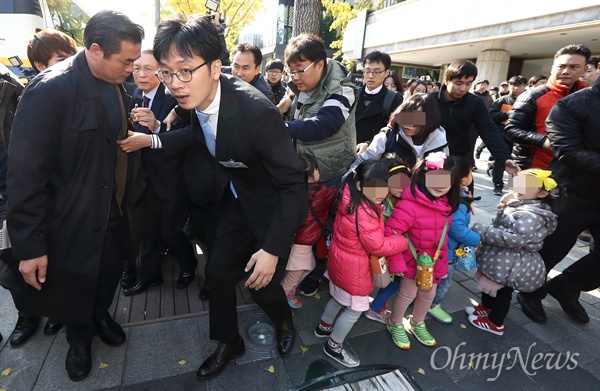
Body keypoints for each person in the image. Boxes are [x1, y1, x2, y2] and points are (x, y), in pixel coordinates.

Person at [118, 14, 306, 380]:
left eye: (185, 70)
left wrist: (271, 249)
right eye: (167, 73)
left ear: (216, 67)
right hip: (235, 199)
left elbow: (293, 185)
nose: (175, 84)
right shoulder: (192, 102)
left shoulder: (257, 114)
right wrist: (157, 134)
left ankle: (284, 322)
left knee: (265, 284)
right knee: (218, 273)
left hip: (271, 208)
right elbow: (194, 135)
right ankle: (228, 342)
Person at [7, 10, 144, 381]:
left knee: (108, 271)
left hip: (111, 209)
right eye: (127, 61)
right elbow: (24, 174)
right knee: (76, 281)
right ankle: (78, 339)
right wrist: (30, 246)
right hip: (69, 217)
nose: (132, 68)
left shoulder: (117, 86)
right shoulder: (48, 90)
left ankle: (101, 314)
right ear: (96, 51)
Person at [0, 27, 76, 348]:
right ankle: (27, 314)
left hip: (18, 198)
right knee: (8, 267)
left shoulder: (12, 95)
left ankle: (58, 309)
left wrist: (13, 211)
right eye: (63, 60)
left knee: (40, 256)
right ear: (39, 66)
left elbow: (25, 163)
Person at [517, 68, 600, 325]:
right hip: (570, 192)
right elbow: (567, 151)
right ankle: (530, 290)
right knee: (552, 249)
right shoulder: (572, 105)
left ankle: (567, 285)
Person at [280, 33, 358, 297]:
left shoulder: (342, 87)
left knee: (327, 228)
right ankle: (300, 269)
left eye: (300, 70)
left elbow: (325, 125)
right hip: (308, 170)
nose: (295, 77)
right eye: (291, 72)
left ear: (320, 64)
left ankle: (316, 274)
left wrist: (280, 128)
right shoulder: (303, 86)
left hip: (331, 172)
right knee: (307, 225)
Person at [314, 160, 407, 367]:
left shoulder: (349, 198)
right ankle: (334, 346)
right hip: (354, 269)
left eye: (383, 185)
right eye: (374, 186)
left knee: (338, 298)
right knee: (354, 310)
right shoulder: (365, 212)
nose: (380, 192)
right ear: (359, 185)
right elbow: (377, 246)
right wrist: (400, 241)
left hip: (340, 262)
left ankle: (324, 326)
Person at [121, 49, 197, 296]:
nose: (141, 74)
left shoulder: (176, 97)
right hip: (142, 177)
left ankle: (189, 266)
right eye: (136, 68)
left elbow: (188, 139)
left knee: (171, 231)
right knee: (147, 230)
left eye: (148, 68)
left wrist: (155, 127)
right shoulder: (132, 94)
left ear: (162, 71)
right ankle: (150, 275)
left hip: (172, 177)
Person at [467, 169, 560, 335]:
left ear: (542, 193)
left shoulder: (531, 216)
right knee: (490, 286)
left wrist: (484, 231)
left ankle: (496, 323)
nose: (519, 187)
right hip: (502, 257)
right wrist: (506, 202)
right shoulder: (522, 203)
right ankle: (486, 309)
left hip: (511, 262)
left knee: (502, 292)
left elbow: (515, 238)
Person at [384, 153, 460, 349]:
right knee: (406, 294)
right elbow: (391, 233)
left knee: (428, 295)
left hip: (436, 262)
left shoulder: (447, 205)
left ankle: (418, 321)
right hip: (412, 262)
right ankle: (395, 322)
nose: (439, 185)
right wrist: (397, 262)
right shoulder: (409, 206)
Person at [427, 60, 519, 183]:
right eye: (458, 83)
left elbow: (488, 130)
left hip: (459, 160)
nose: (462, 88)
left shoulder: (474, 103)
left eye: (468, 84)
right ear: (447, 80)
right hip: (430, 159)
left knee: (461, 199)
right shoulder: (429, 100)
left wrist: (504, 158)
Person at [505, 44, 589, 170]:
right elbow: (510, 130)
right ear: (552, 68)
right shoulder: (532, 95)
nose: (566, 71)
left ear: (585, 69)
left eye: (574, 67)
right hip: (529, 168)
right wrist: (544, 141)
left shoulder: (588, 98)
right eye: (561, 66)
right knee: (519, 190)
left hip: (572, 170)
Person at [428, 156, 478, 325]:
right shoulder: (459, 202)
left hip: (438, 247)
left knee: (431, 277)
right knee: (443, 281)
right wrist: (476, 238)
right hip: (447, 252)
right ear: (464, 180)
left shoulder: (445, 193)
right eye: (471, 171)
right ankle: (433, 305)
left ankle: (424, 299)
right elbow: (456, 229)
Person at [281, 154, 335, 309]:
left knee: (306, 267)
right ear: (310, 177)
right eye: (316, 169)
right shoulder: (321, 191)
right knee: (295, 274)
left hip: (294, 240)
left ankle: (288, 292)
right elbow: (337, 194)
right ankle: (280, 305)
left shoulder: (289, 190)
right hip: (302, 243)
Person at [363, 155, 411, 323]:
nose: (402, 187)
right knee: (394, 282)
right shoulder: (382, 204)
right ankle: (375, 309)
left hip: (389, 249)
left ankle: (373, 305)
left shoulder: (396, 200)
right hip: (387, 251)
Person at [352, 93, 448, 171]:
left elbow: (445, 177)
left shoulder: (440, 143)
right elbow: (361, 165)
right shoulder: (387, 137)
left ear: (429, 119)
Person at [488, 75, 528, 195]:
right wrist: (508, 113)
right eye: (513, 85)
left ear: (524, 86)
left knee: (519, 162)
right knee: (500, 160)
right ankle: (498, 185)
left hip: (520, 137)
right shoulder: (501, 101)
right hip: (502, 135)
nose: (515, 88)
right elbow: (492, 117)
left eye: (519, 85)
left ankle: (519, 190)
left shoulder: (528, 100)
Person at [354, 50, 402, 144]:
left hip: (377, 152)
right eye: (367, 71)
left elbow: (396, 130)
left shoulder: (394, 99)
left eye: (376, 72)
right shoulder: (352, 94)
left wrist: (369, 144)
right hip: (349, 151)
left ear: (386, 72)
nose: (371, 76)